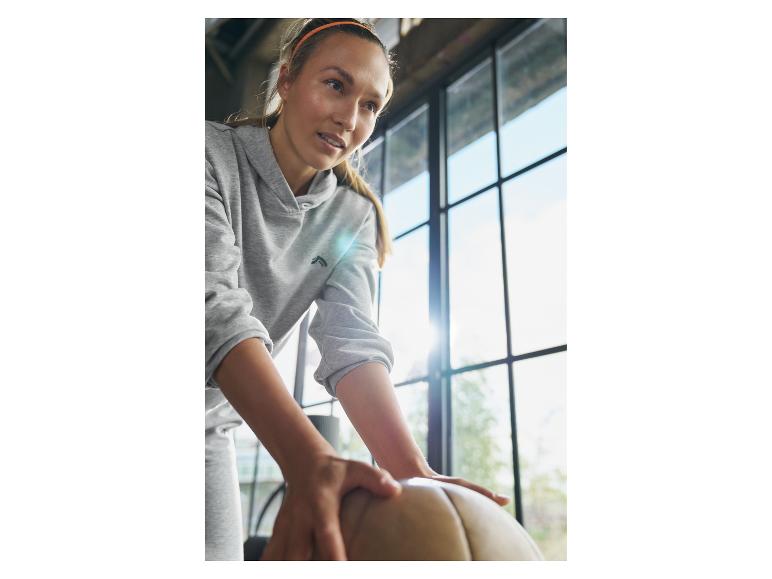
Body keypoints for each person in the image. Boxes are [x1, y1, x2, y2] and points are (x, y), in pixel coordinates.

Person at [205, 18, 510, 561]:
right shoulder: (204, 155)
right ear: (288, 79)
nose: (350, 118)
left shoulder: (353, 216)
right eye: (336, 85)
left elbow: (353, 341)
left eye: (370, 105)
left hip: (206, 434)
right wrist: (308, 459)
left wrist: (410, 471)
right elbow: (213, 309)